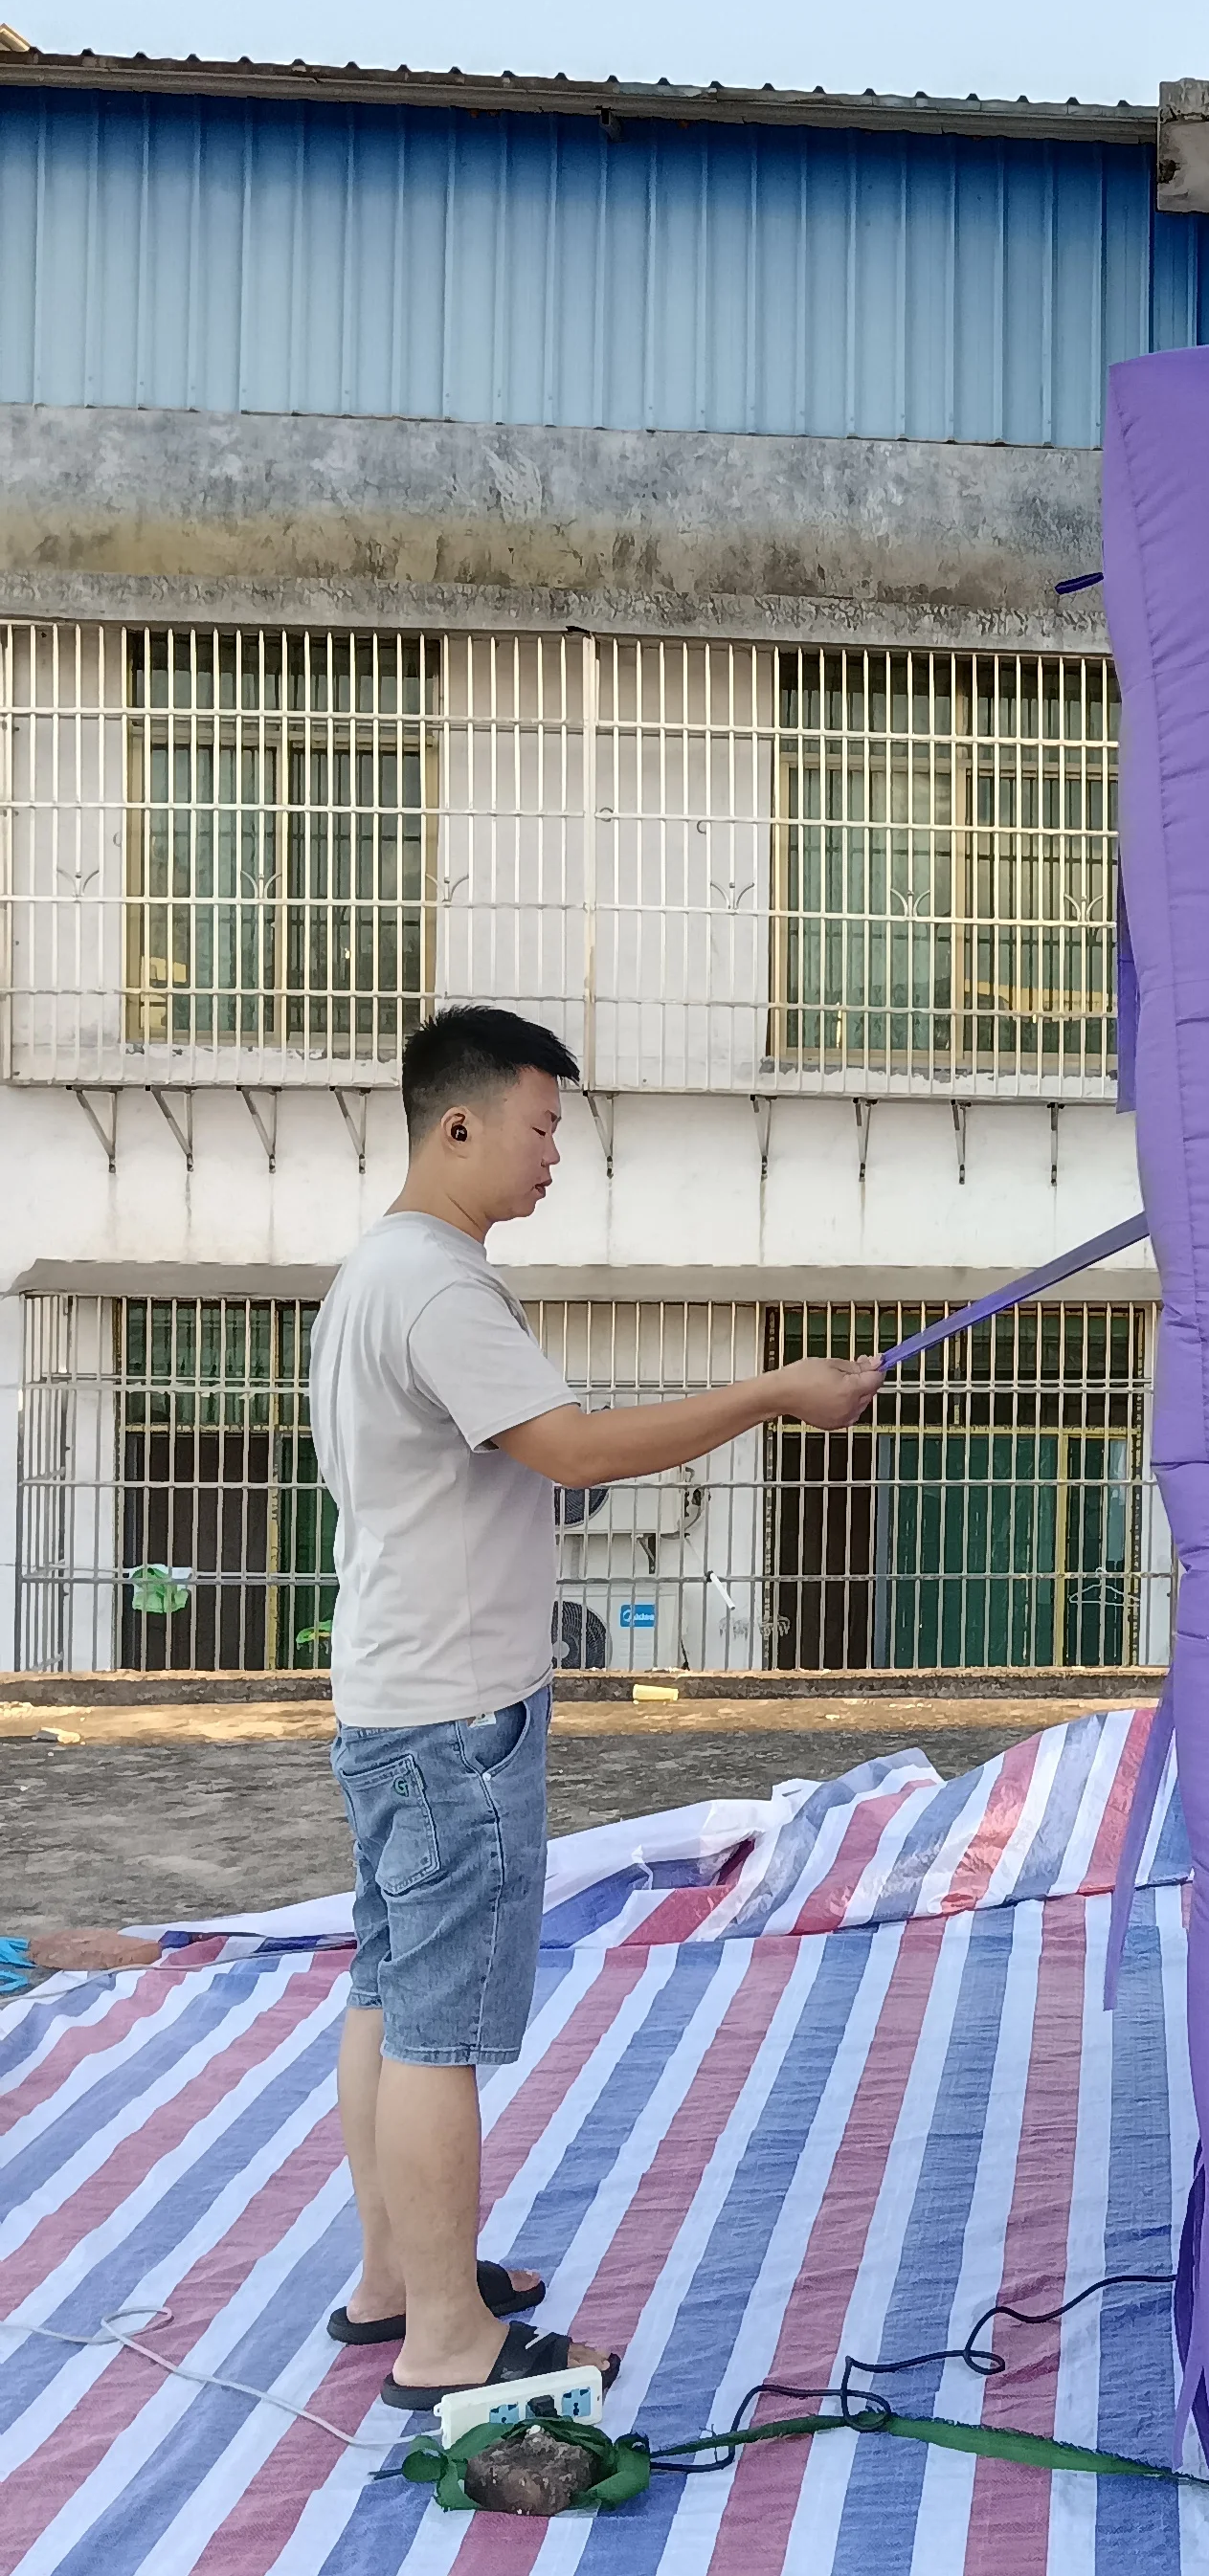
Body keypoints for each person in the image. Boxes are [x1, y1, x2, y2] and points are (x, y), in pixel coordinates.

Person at [308, 1005, 881, 2410]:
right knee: (438, 2016)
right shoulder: (438, 1284)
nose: (556, 1151)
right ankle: (446, 2338)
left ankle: (397, 2281)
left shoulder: (378, 1276)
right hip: (453, 1714)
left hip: (395, 1691)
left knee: (390, 1987)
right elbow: (565, 1449)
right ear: (460, 1123)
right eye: (543, 1122)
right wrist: (771, 1393)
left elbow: (535, 1445)